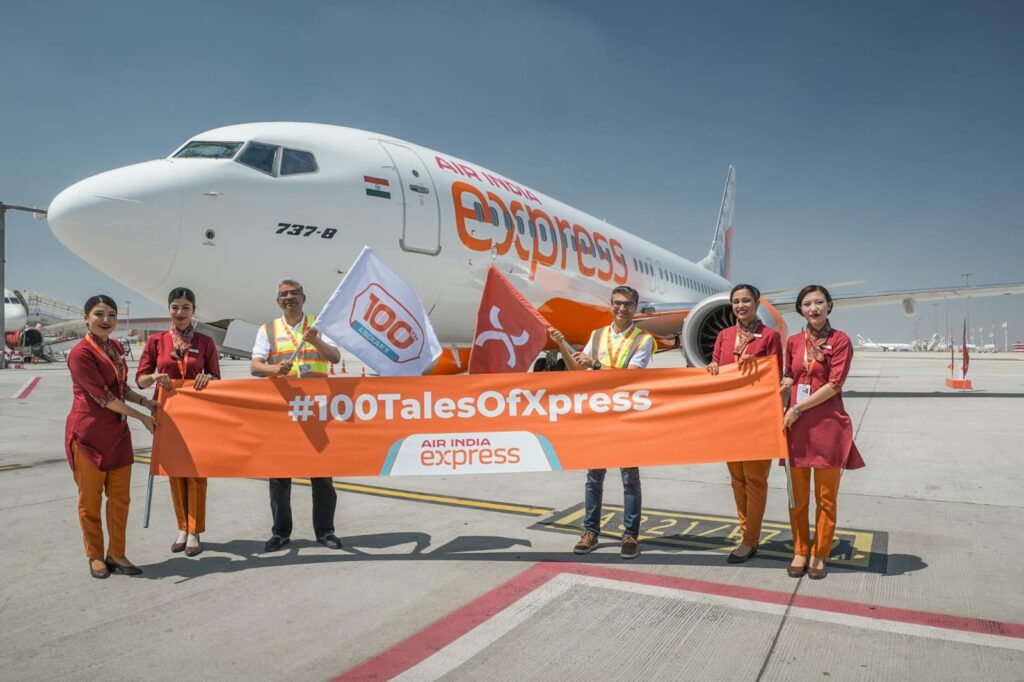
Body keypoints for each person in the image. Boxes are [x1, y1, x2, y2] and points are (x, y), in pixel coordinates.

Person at [550, 285, 655, 559]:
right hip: (598, 415)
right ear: (611, 304)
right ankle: (590, 532)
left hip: (625, 416)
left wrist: (595, 365)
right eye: (617, 303)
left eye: (628, 304)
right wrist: (562, 344)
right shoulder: (597, 336)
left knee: (629, 479)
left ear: (636, 306)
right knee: (593, 478)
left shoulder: (644, 340)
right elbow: (577, 370)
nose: (622, 308)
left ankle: (630, 534)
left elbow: (631, 378)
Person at [65, 295, 157, 579]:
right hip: (89, 433)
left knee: (120, 499)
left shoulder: (116, 347)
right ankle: (95, 555)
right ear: (86, 318)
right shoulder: (80, 353)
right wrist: (141, 417)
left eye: (112, 315)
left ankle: (117, 552)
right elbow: (103, 397)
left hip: (116, 433)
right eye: (99, 314)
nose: (106, 320)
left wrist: (144, 402)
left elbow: (120, 389)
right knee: (90, 499)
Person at [251, 279, 343, 552]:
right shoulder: (267, 329)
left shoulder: (318, 326)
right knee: (279, 477)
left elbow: (335, 357)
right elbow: (256, 366)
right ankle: (280, 533)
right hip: (283, 411)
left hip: (316, 411)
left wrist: (317, 341)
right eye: (284, 295)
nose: (289, 298)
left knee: (322, 477)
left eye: (294, 294)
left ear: (304, 298)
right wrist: (275, 369)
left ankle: (325, 531)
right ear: (277, 301)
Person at [781, 284, 865, 580]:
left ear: (829, 305)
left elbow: (835, 384)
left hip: (827, 426)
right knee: (798, 498)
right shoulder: (793, 341)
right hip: (796, 430)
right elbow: (790, 376)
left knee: (826, 498)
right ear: (800, 309)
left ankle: (820, 552)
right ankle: (801, 549)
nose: (813, 308)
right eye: (807, 304)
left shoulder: (840, 341)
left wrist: (798, 407)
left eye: (819, 303)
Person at [136, 287, 220, 557]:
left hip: (197, 415)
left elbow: (216, 378)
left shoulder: (206, 342)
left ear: (194, 310)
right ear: (168, 310)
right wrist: (155, 377)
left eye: (185, 307)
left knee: (196, 473)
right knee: (175, 472)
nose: (180, 313)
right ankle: (182, 527)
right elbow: (141, 378)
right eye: (175, 307)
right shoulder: (157, 341)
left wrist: (207, 379)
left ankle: (195, 530)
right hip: (167, 413)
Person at [707, 284, 783, 564]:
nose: (741, 306)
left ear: (756, 303)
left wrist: (760, 362)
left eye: (746, 301)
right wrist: (711, 369)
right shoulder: (724, 336)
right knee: (737, 479)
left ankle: (750, 539)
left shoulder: (770, 336)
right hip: (729, 418)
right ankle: (745, 533)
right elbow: (714, 367)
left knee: (755, 480)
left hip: (757, 419)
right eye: (736, 301)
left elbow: (777, 375)